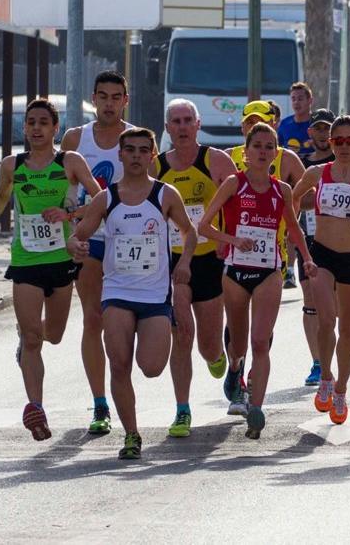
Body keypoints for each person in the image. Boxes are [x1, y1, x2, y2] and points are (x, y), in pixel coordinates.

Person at [0, 99, 101, 441]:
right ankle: (36, 408)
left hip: (61, 259)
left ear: (55, 128)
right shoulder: (12, 165)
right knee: (33, 339)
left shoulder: (70, 162)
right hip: (26, 260)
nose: (35, 128)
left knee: (55, 334)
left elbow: (100, 199)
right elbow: (2, 196)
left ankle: (28, 338)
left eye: (43, 122)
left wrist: (70, 216)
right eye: (30, 122)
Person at [68, 128, 196, 459]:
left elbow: (190, 232)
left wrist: (184, 264)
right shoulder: (106, 198)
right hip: (117, 291)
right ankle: (131, 435)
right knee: (119, 363)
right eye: (131, 150)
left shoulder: (165, 195)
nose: (137, 155)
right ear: (121, 155)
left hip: (155, 296)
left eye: (143, 150)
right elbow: (79, 234)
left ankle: (137, 422)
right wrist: (76, 246)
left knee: (151, 366)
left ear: (152, 156)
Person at [199, 123, 317, 439]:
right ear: (246, 152)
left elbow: (294, 229)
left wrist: (306, 258)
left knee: (260, 341)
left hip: (269, 271)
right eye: (258, 146)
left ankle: (257, 407)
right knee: (238, 344)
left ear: (275, 153)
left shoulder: (283, 190)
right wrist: (232, 240)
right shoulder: (233, 185)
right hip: (236, 273)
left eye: (269, 147)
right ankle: (236, 367)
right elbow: (204, 226)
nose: (263, 152)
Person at [152, 99, 237, 437]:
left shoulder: (215, 160)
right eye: (176, 121)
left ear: (198, 125)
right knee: (181, 333)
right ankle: (182, 410)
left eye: (188, 120)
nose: (183, 127)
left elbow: (238, 202)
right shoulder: (155, 167)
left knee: (209, 345)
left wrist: (224, 238)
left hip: (209, 258)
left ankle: (219, 358)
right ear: (168, 127)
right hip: (172, 260)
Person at [290, 115, 350, 424]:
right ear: (331, 144)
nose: (343, 146)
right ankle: (326, 376)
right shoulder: (317, 173)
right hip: (322, 254)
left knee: (349, 329)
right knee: (326, 320)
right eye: (337, 141)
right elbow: (292, 198)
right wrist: (293, 227)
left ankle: (341, 389)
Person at [60, 71, 134, 435]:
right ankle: (100, 403)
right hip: (89, 238)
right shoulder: (77, 138)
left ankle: (121, 387)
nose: (109, 103)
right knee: (92, 318)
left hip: (127, 243)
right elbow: (62, 186)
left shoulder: (135, 140)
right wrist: (71, 214)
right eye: (102, 96)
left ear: (125, 100)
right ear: (94, 99)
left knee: (119, 321)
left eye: (115, 96)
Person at [227, 99, 310, 378]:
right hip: (234, 253)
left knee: (262, 332)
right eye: (249, 121)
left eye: (260, 120)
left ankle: (255, 376)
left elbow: (307, 193)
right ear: (243, 127)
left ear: (274, 123)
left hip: (273, 253)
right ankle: (235, 368)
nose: (255, 125)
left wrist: (290, 207)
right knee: (236, 324)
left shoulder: (284, 157)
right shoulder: (228, 157)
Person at [293, 108, 336, 388]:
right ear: (310, 132)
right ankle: (317, 362)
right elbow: (296, 201)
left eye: (327, 129)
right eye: (318, 129)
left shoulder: (343, 158)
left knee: (333, 304)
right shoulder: (302, 163)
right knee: (310, 298)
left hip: (338, 238)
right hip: (308, 237)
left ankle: (333, 357)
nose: (323, 134)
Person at [277, 81, 315, 157]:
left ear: (310, 101)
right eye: (293, 99)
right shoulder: (284, 125)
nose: (296, 102)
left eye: (300, 99)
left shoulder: (318, 124)